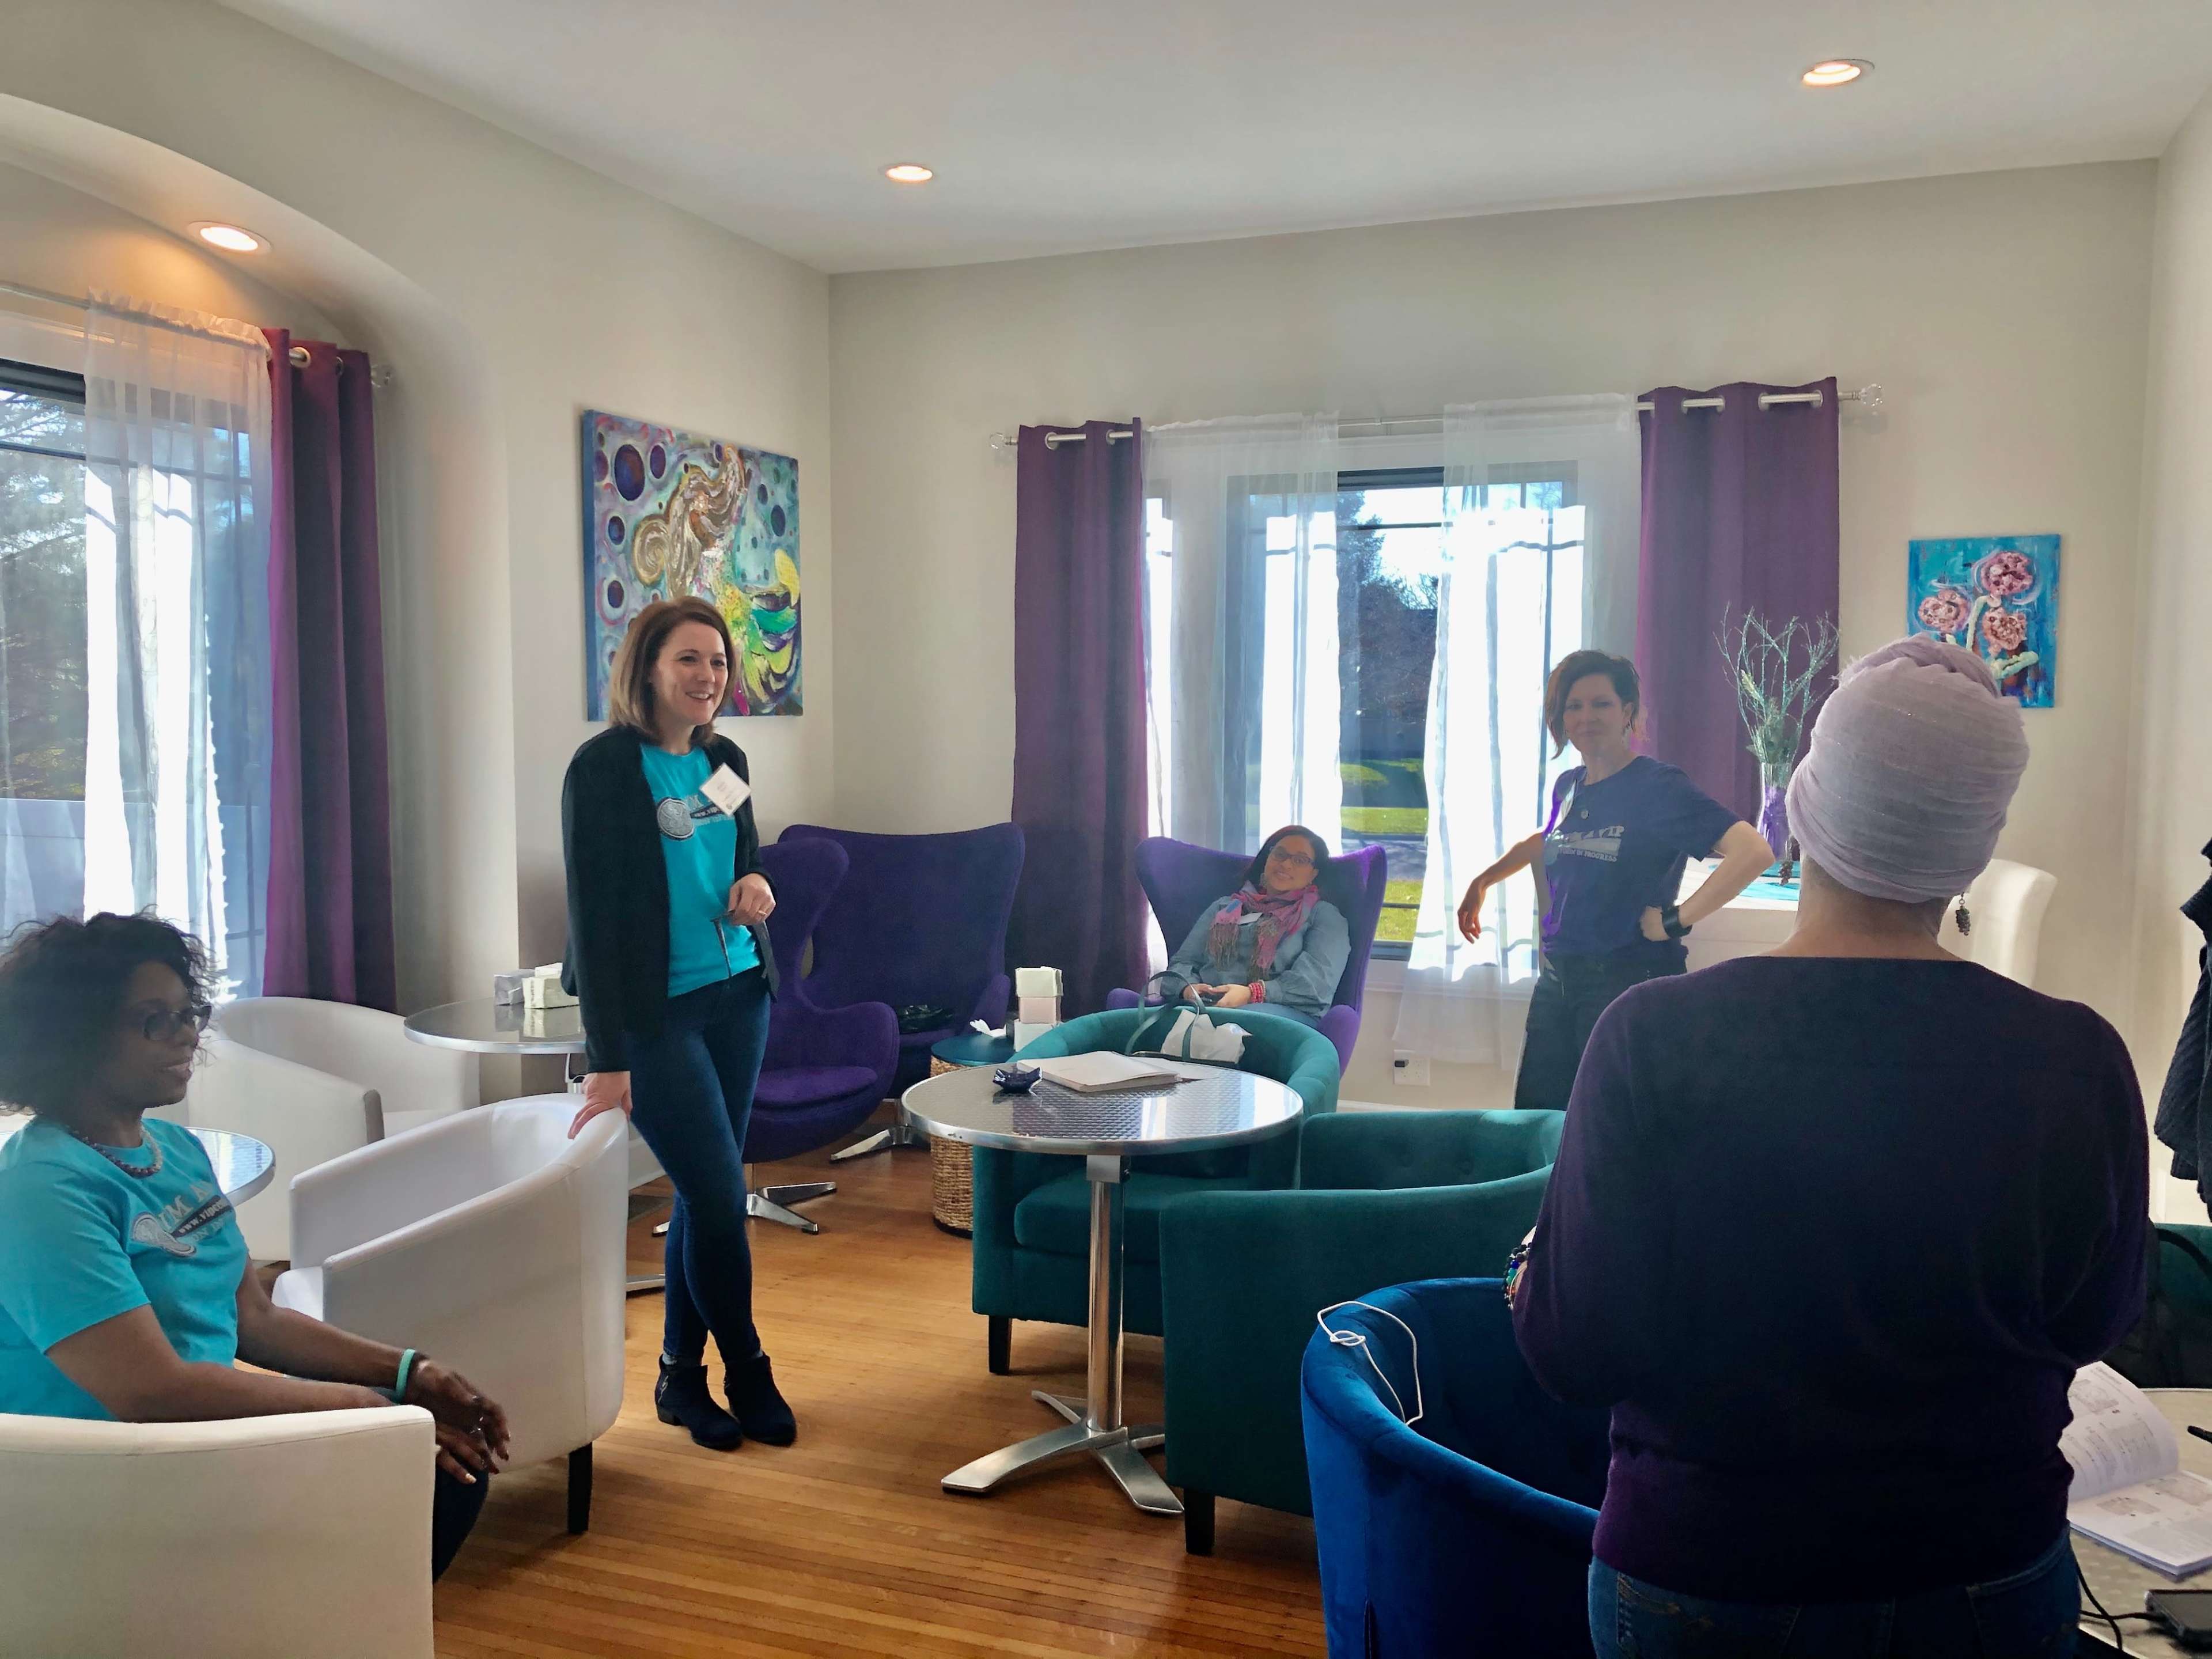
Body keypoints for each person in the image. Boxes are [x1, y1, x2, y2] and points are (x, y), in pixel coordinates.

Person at [1511, 636, 2147, 1658]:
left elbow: (1576, 1350)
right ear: (1973, 849)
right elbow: (2093, 1320)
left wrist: (1529, 1269)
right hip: (1982, 1570)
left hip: (1705, 1571)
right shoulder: (2075, 1057)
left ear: (1801, 813)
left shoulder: (1652, 1036)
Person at [0, 912, 507, 1581]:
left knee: (444, 1462)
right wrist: (371, 1409)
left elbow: (254, 1320)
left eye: (190, 1012)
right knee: (425, 1466)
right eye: (154, 1019)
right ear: (73, 1038)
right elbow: (150, 1391)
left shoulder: (175, 1151)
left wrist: (410, 1371)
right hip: (111, 1473)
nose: (186, 1035)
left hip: (197, 1435)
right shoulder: (43, 1188)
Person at [562, 594, 792, 1453]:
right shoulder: (606, 771)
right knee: (719, 1195)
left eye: (718, 662)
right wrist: (607, 1056)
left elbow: (748, 857)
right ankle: (748, 1367)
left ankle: (679, 1378)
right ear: (648, 668)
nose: (708, 677)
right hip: (658, 1017)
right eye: (689, 660)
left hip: (740, 996)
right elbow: (592, 914)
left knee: (707, 1195)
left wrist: (758, 886)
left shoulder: (723, 758)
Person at [1455, 650, 1771, 1112]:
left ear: (1627, 712)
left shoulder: (1657, 786)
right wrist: (1483, 881)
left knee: (1610, 1126)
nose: (1586, 716)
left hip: (1625, 983)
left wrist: (1674, 920)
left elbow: (1753, 852)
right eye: (1574, 706)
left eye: (1601, 704)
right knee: (1538, 1121)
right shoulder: (1569, 785)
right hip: (1559, 983)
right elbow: (1549, 842)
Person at [1153, 825, 1350, 1028]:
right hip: (1205, 1007)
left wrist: (1251, 994)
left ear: (1314, 874)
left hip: (1280, 1015)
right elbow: (1183, 962)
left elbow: (1316, 985)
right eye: (1280, 854)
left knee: (1221, 1025)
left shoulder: (1325, 916)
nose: (1286, 864)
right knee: (1144, 1019)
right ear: (1267, 859)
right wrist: (1189, 989)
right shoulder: (1224, 907)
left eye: (1300, 860)